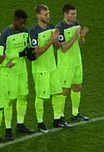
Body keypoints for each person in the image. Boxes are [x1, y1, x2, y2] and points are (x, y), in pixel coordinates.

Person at [29, 4, 69, 132]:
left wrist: (56, 41)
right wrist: (51, 41)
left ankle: (57, 120)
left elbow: (56, 48)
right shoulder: (33, 31)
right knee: (41, 96)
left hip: (52, 67)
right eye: (45, 14)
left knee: (58, 93)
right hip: (41, 70)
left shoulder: (52, 27)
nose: (48, 16)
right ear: (38, 16)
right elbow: (36, 52)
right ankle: (40, 123)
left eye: (48, 13)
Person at [0, 9, 35, 139]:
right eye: (21, 23)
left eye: (25, 23)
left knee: (23, 96)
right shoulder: (5, 34)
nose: (23, 25)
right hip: (9, 71)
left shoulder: (25, 31)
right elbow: (2, 54)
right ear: (15, 20)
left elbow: (27, 46)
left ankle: (20, 123)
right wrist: (19, 54)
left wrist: (30, 52)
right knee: (9, 100)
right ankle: (8, 129)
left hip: (22, 69)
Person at [56, 3, 89, 122]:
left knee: (77, 87)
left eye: (75, 13)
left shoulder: (77, 24)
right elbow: (63, 48)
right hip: (65, 65)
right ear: (65, 14)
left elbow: (81, 44)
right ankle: (59, 116)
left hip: (77, 61)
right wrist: (75, 36)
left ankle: (75, 114)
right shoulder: (59, 28)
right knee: (64, 90)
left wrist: (81, 37)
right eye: (72, 14)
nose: (75, 16)